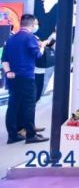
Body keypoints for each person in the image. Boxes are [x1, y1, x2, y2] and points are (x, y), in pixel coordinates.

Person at [2, 14, 48, 144]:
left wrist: (8, 72)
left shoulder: (11, 38)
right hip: (26, 77)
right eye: (36, 24)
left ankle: (13, 135)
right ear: (32, 25)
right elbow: (37, 55)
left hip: (13, 77)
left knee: (13, 106)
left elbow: (4, 59)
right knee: (29, 106)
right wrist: (42, 46)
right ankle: (31, 135)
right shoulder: (30, 37)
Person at [34, 30, 56, 102]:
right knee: (44, 80)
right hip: (49, 62)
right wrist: (44, 44)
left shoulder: (54, 35)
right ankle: (38, 96)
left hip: (50, 61)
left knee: (44, 80)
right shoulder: (54, 35)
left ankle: (39, 96)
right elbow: (48, 43)